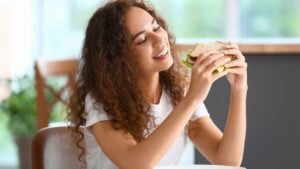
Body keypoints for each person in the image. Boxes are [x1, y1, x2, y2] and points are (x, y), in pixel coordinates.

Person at [69, 0, 248, 169]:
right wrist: (192, 99)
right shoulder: (100, 101)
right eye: (142, 39)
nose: (160, 39)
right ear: (117, 58)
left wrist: (239, 90)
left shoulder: (178, 91)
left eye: (156, 27)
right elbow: (136, 164)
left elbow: (227, 160)